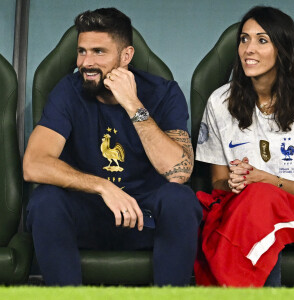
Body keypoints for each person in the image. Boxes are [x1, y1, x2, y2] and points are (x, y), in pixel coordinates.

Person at [23, 7, 202, 286]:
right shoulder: (68, 90)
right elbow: (33, 164)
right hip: (88, 216)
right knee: (45, 201)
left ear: (126, 56)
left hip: (145, 220)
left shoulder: (163, 92)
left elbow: (178, 172)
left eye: (99, 52)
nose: (86, 62)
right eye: (82, 51)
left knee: (181, 200)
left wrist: (133, 104)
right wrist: (103, 186)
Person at [195, 6, 294, 287]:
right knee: (253, 203)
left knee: (261, 199)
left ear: (284, 49)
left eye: (261, 40)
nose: (248, 49)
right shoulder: (220, 102)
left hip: (292, 206)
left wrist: (266, 181)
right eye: (244, 39)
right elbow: (216, 183)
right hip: (244, 210)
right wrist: (234, 184)